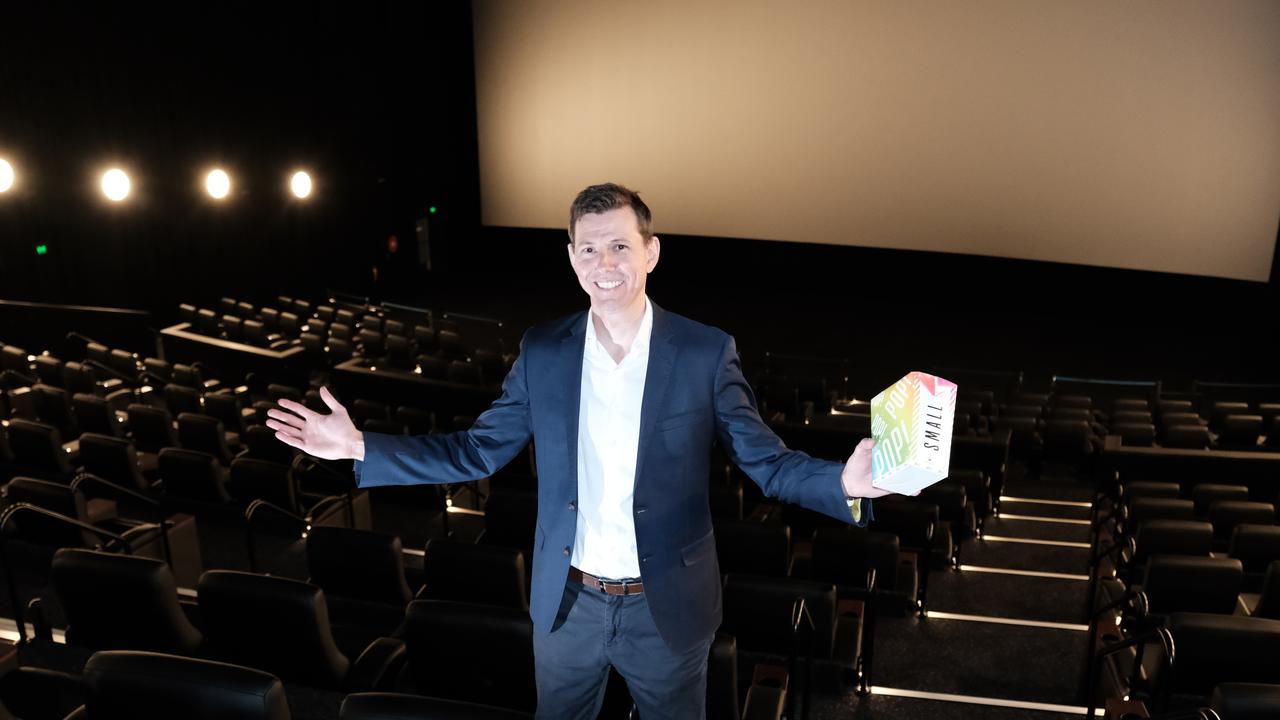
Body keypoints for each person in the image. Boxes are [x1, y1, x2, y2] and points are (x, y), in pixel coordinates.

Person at [267, 183, 896, 719]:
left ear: (652, 252)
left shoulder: (706, 352)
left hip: (667, 608)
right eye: (589, 248)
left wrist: (844, 480)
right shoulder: (544, 351)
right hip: (567, 603)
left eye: (620, 245)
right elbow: (477, 451)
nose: (605, 263)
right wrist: (358, 445)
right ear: (572, 259)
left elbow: (765, 461)